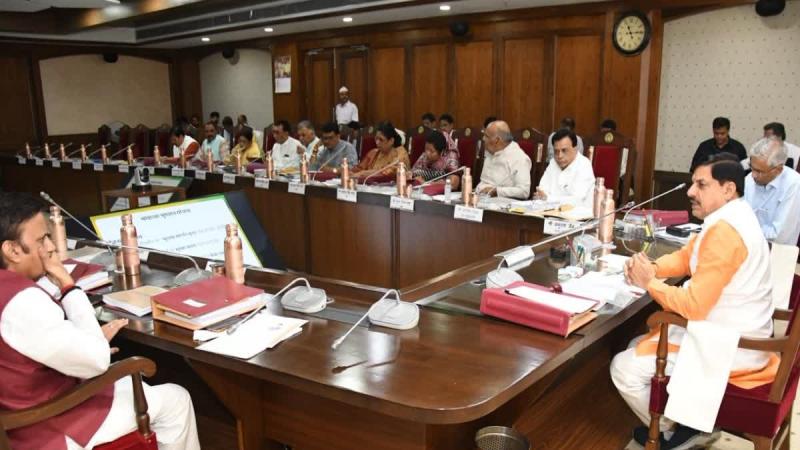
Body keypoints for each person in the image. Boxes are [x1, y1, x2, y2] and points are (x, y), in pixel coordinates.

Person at [0, 192, 200, 450]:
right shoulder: (23, 302)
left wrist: (87, 341)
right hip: (48, 424)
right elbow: (97, 362)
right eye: (41, 239)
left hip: (18, 409)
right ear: (12, 250)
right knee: (176, 400)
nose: (50, 247)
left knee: (129, 384)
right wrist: (68, 286)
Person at [611, 153, 777, 449]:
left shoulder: (726, 231)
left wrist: (649, 283)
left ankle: (673, 429)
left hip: (732, 346)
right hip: (732, 330)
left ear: (728, 189)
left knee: (622, 368)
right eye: (692, 183)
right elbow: (688, 258)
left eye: (701, 185)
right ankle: (686, 421)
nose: (690, 191)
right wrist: (652, 268)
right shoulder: (733, 216)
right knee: (637, 344)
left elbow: (694, 306)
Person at [744, 137, 800, 245]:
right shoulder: (750, 179)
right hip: (750, 247)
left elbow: (779, 236)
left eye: (759, 171)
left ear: (778, 170)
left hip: (778, 251)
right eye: (752, 167)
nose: (753, 175)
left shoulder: (794, 184)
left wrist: (745, 230)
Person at [535, 128, 596, 209]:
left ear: (575, 149)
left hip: (578, 214)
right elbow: (541, 192)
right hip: (551, 212)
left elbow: (576, 200)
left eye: (564, 150)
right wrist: (545, 197)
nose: (559, 156)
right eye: (556, 151)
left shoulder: (584, 165)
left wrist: (548, 198)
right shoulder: (553, 163)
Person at [475, 120, 531, 199]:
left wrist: (496, 191)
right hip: (482, 199)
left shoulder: (519, 158)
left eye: (486, 136)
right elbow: (484, 182)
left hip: (503, 203)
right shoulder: (491, 152)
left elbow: (524, 191)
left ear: (497, 140)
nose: (483, 139)